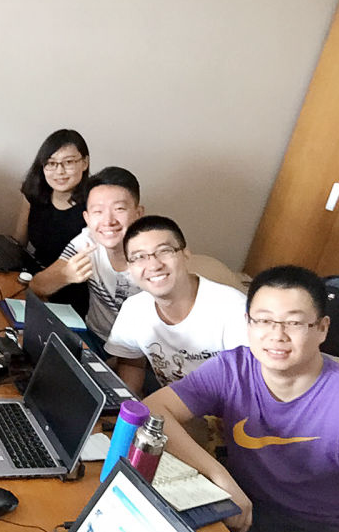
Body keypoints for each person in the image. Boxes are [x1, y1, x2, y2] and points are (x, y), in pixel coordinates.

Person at [144, 265, 339, 532]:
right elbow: (153, 409)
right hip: (239, 508)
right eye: (263, 320)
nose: (277, 335)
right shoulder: (233, 368)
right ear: (248, 323)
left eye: (294, 322)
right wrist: (220, 477)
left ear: (322, 328)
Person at [104, 215, 247, 394]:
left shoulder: (234, 310)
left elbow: (250, 385)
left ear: (186, 253)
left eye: (164, 251)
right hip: (171, 401)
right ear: (130, 267)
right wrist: (127, 406)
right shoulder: (134, 309)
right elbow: (131, 364)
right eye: (139, 257)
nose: (154, 265)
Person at [30, 166, 144, 357]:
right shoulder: (88, 242)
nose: (108, 221)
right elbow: (37, 285)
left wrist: (120, 361)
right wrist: (66, 275)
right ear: (87, 218)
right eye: (98, 211)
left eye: (119, 209)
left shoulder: (153, 256)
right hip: (94, 338)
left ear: (138, 214)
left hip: (138, 352)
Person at [13, 129, 91, 316]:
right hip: (33, 279)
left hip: (71, 293)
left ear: (85, 163)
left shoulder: (94, 206)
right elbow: (18, 242)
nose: (59, 171)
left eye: (68, 162)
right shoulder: (34, 194)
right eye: (51, 163)